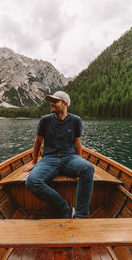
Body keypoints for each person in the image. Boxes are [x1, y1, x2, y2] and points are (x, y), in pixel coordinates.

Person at [24, 91, 94, 219]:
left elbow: (77, 143)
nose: (51, 103)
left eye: (55, 101)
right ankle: (66, 209)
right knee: (32, 181)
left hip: (70, 158)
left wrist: (79, 159)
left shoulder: (75, 120)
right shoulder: (45, 120)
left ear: (65, 104)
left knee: (88, 168)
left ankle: (81, 215)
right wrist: (34, 163)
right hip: (49, 159)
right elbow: (38, 142)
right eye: (51, 100)